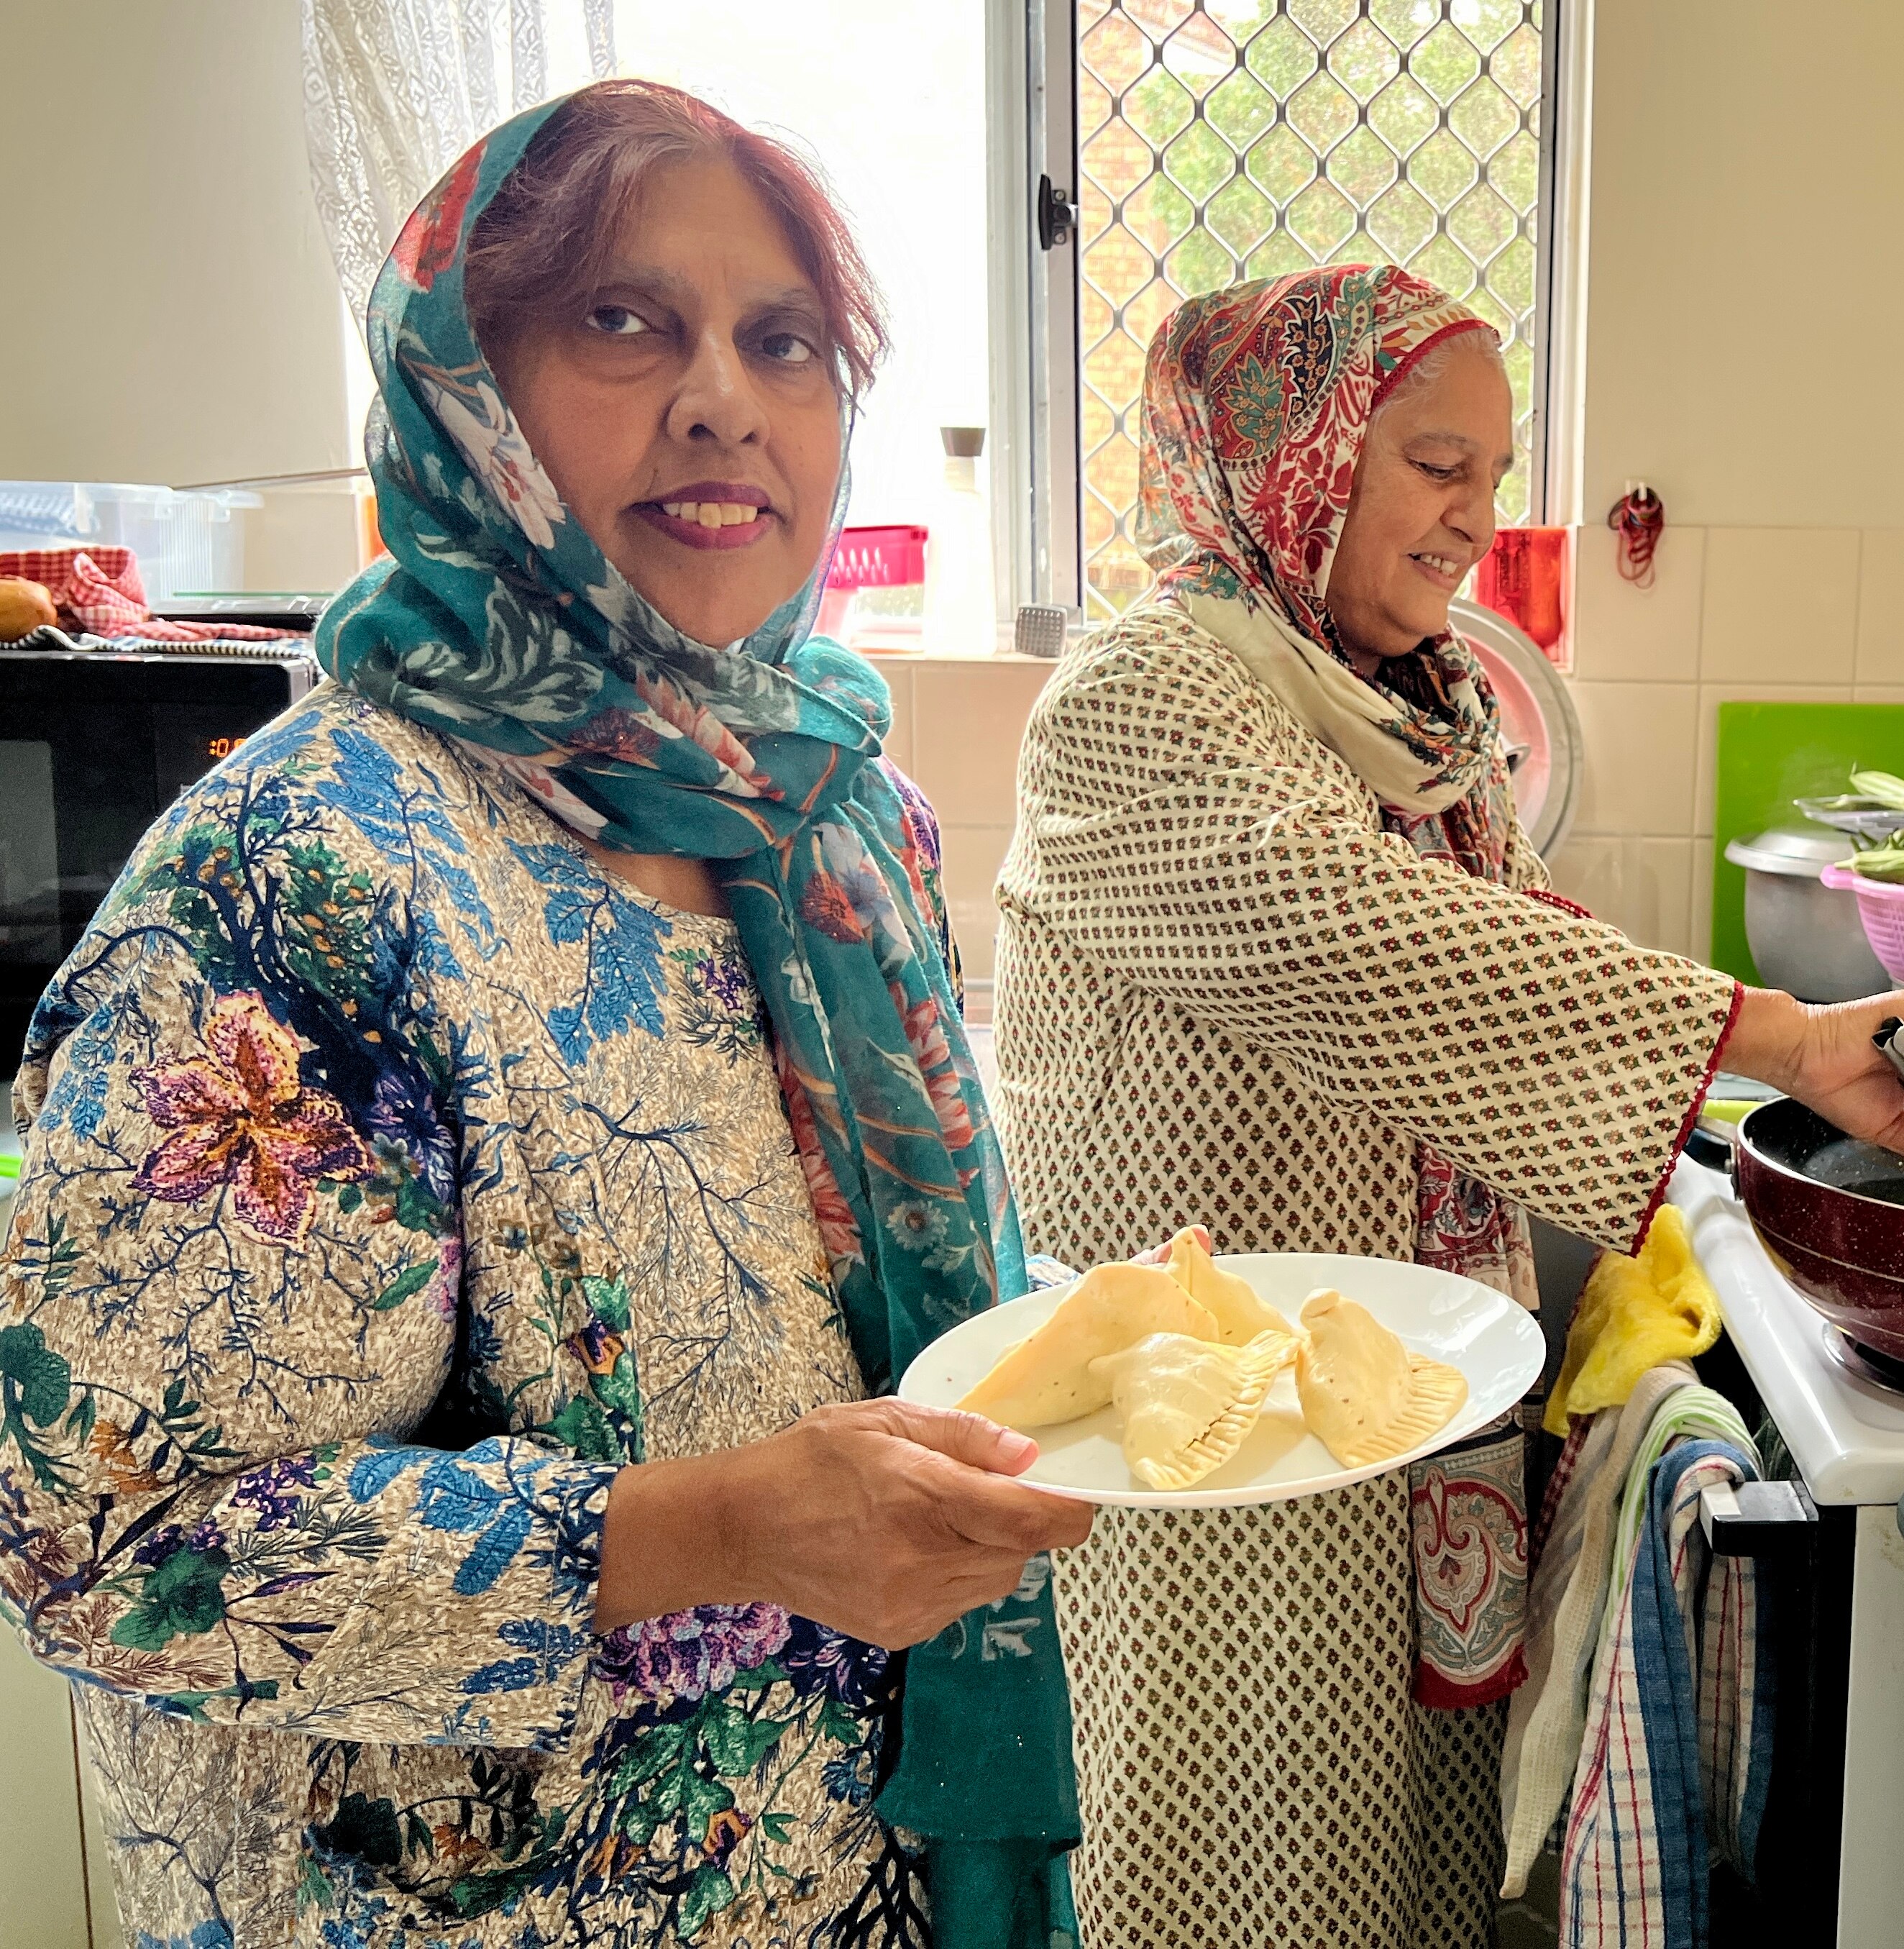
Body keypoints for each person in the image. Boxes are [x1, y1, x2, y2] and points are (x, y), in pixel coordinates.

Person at [0, 81, 1090, 1949]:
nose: (722, 397)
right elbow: (100, 1547)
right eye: (620, 317)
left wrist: (1098, 1334)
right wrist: (724, 1529)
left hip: (848, 1873)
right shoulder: (310, 881)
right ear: (460, 384)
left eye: (785, 339)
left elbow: (818, 1292)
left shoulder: (830, 807)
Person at [989, 263, 1904, 1947]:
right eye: (1430, 462)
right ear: (1297, 456)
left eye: (1490, 475)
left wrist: (1793, 1040)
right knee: (1225, 1828)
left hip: (1390, 1381)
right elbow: (1350, 935)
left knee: (1387, 1823)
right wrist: (1770, 1035)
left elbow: (1514, 939)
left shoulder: (1422, 699)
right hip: (1209, 1421)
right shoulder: (1146, 696)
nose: (1472, 517)